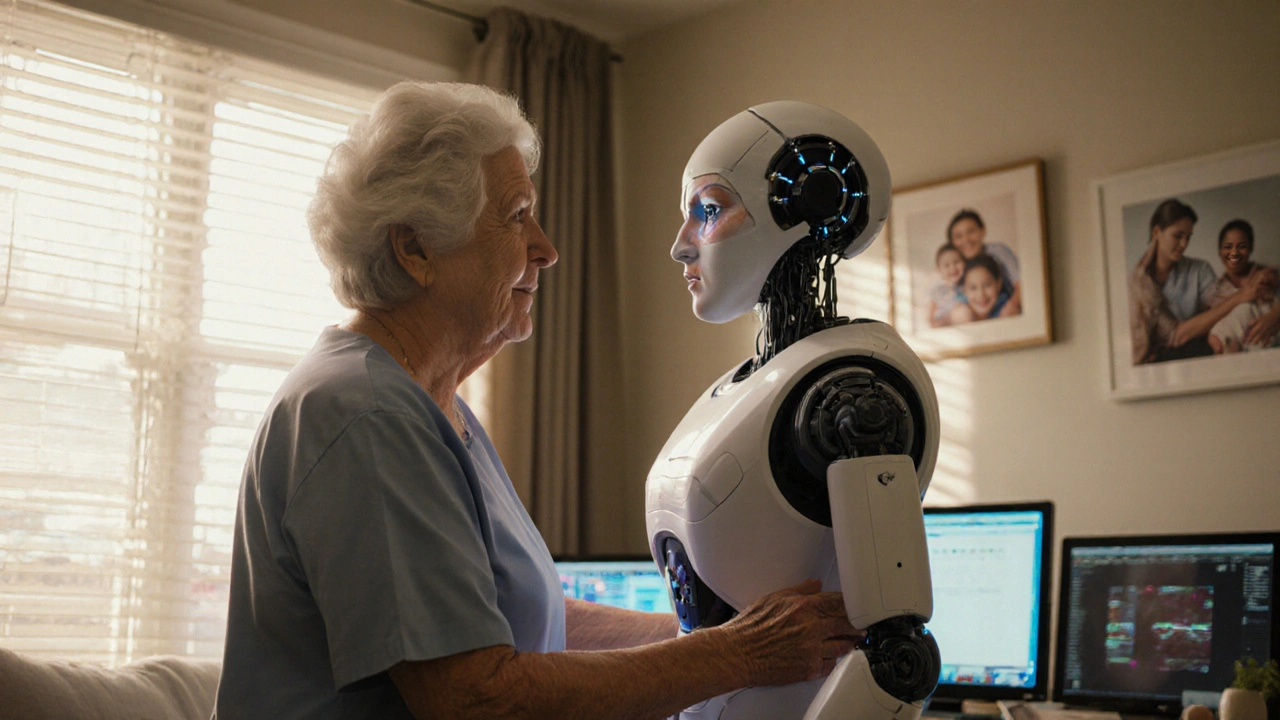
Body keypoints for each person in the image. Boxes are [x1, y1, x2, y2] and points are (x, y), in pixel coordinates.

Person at [213, 82, 860, 720]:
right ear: (415, 249)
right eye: (517, 215)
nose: (547, 250)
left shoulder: (430, 403)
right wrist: (738, 654)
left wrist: (725, 636)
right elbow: (475, 697)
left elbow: (521, 623)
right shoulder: (366, 412)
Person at [1128, 199, 1263, 365]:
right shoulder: (1137, 282)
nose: (1184, 244)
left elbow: (1225, 307)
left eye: (1188, 237)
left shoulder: (1199, 270)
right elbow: (1174, 335)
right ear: (1156, 232)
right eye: (1177, 236)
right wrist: (1240, 297)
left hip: (1200, 356)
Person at [1207, 219, 1280, 347]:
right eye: (1228, 247)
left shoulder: (1268, 275)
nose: (1234, 253)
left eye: (1242, 246)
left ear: (1251, 248)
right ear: (1219, 251)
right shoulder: (1214, 290)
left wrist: (1275, 315)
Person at [946, 208, 1021, 317]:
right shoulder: (954, 266)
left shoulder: (999, 252)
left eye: (971, 232)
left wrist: (1012, 306)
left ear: (983, 230)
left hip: (1006, 308)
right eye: (959, 236)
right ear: (952, 243)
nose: (966, 240)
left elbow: (1022, 286)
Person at [1210, 266, 1279, 353]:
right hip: (1240, 343)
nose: (1265, 288)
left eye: (1270, 286)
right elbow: (1215, 336)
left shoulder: (1276, 305)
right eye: (1262, 284)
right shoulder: (1244, 306)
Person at [957, 254, 1010, 322]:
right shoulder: (960, 310)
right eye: (973, 288)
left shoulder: (1007, 309)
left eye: (987, 285)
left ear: (998, 284)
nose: (981, 294)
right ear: (964, 290)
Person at [927, 243, 969, 327]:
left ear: (964, 263)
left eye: (956, 262)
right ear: (939, 270)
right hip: (944, 329)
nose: (953, 268)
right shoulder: (937, 291)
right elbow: (930, 319)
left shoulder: (968, 286)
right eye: (947, 265)